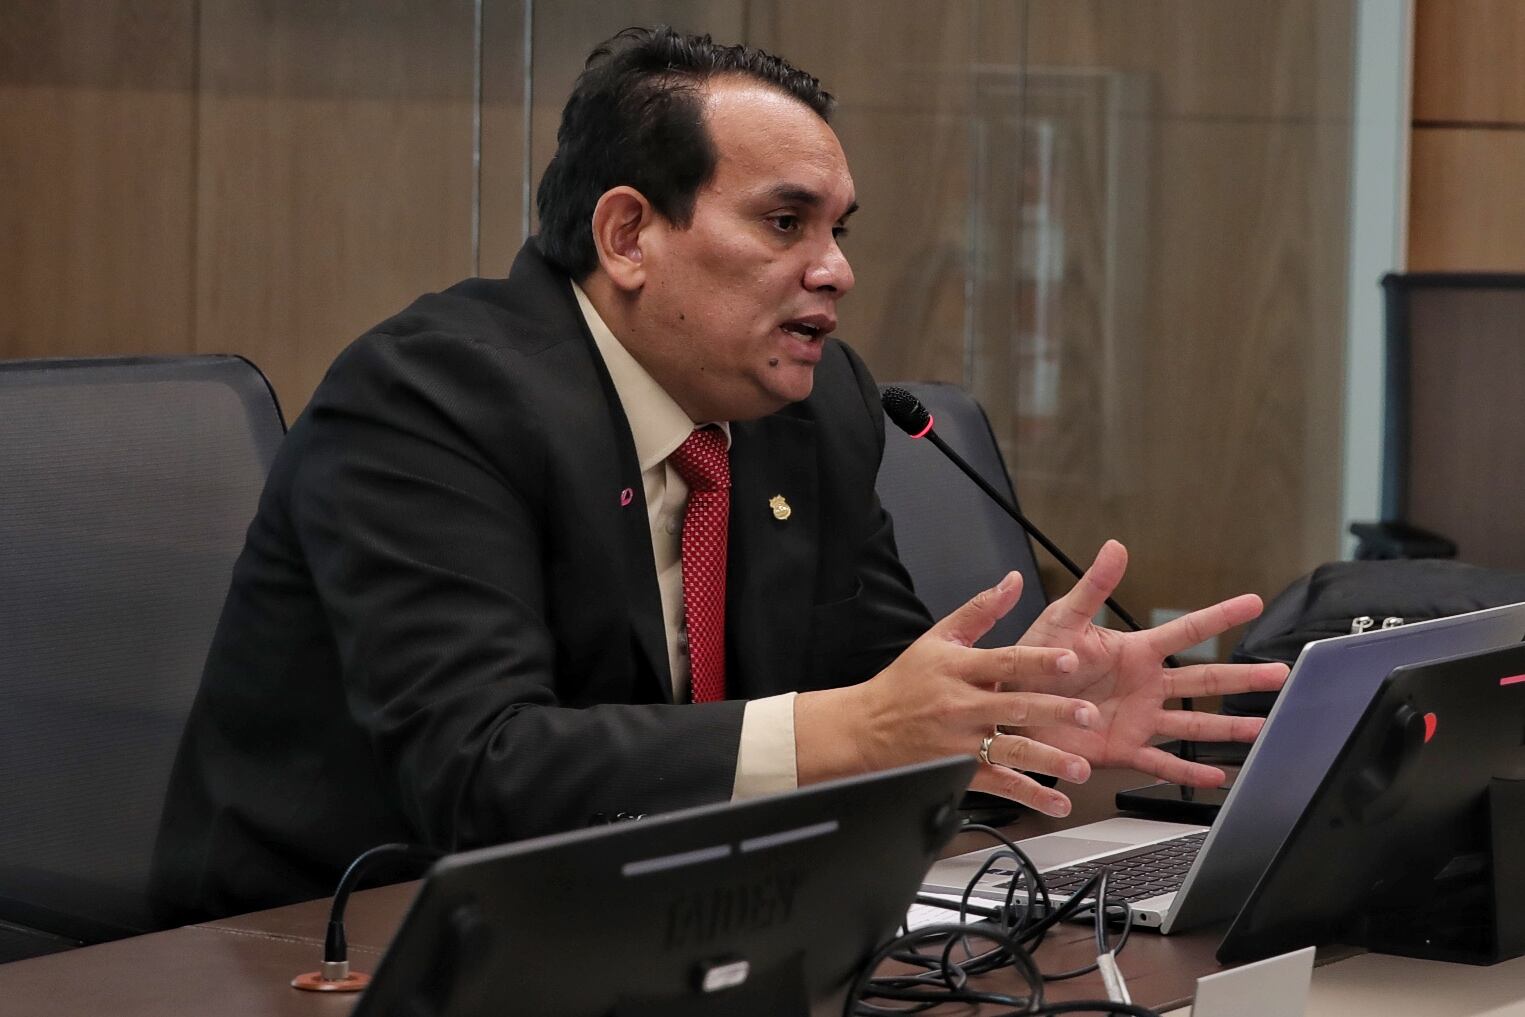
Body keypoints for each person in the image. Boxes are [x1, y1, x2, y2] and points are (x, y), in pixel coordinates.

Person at [150, 26, 1286, 923]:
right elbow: (479, 769)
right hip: (325, 940)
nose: (834, 272)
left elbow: (881, 687)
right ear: (629, 234)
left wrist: (1025, 713)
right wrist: (856, 732)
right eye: (784, 222)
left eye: (838, 228)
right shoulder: (433, 400)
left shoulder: (816, 404)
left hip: (668, 919)